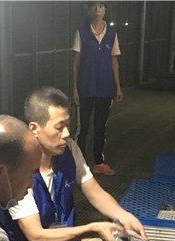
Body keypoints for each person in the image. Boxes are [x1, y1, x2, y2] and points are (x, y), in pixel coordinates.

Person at [8, 87, 145, 241]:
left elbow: (95, 193)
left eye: (68, 125)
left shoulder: (70, 149)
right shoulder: (17, 171)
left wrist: (124, 216)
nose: (66, 134)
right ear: (34, 128)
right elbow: (37, 237)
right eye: (59, 127)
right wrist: (91, 229)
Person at [72, 1, 122, 176]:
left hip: (106, 89)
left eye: (101, 6)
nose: (97, 9)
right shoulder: (81, 32)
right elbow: (76, 63)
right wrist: (74, 88)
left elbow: (114, 62)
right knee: (83, 128)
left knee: (101, 127)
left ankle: (99, 162)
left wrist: (118, 87)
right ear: (88, 9)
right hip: (85, 87)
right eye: (94, 5)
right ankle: (78, 165)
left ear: (105, 9)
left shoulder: (112, 34)